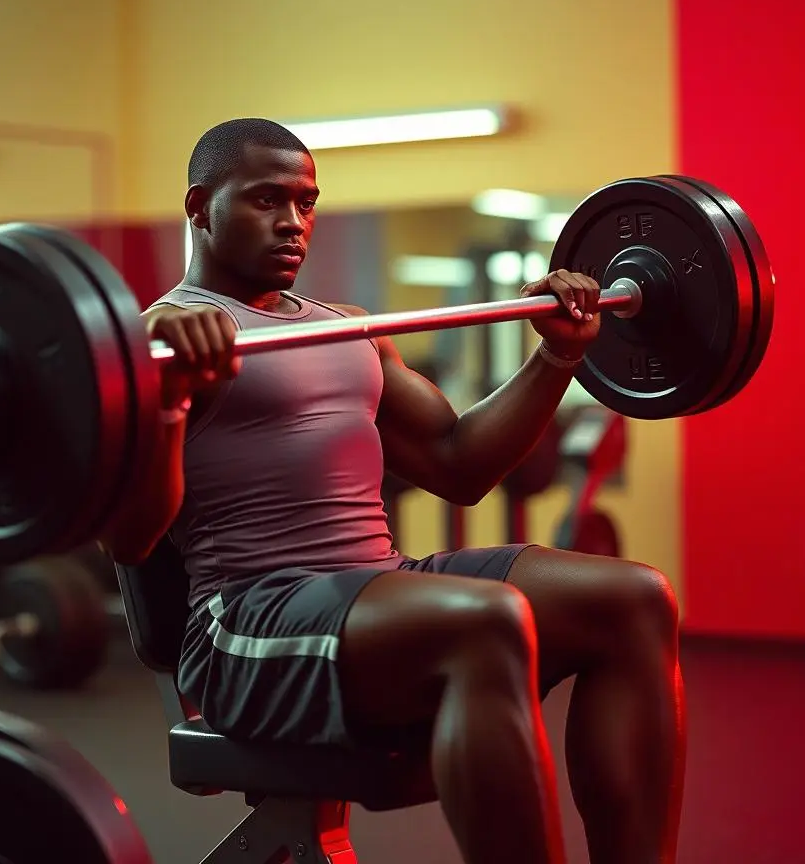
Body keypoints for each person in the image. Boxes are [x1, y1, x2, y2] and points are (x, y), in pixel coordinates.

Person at [103, 119, 685, 864]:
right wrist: (168, 402)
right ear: (199, 206)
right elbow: (127, 539)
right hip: (246, 620)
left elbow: (459, 462)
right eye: (266, 200)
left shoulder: (348, 328)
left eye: (306, 203)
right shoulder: (157, 340)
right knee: (488, 618)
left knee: (636, 598)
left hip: (374, 586)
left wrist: (557, 357)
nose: (293, 223)